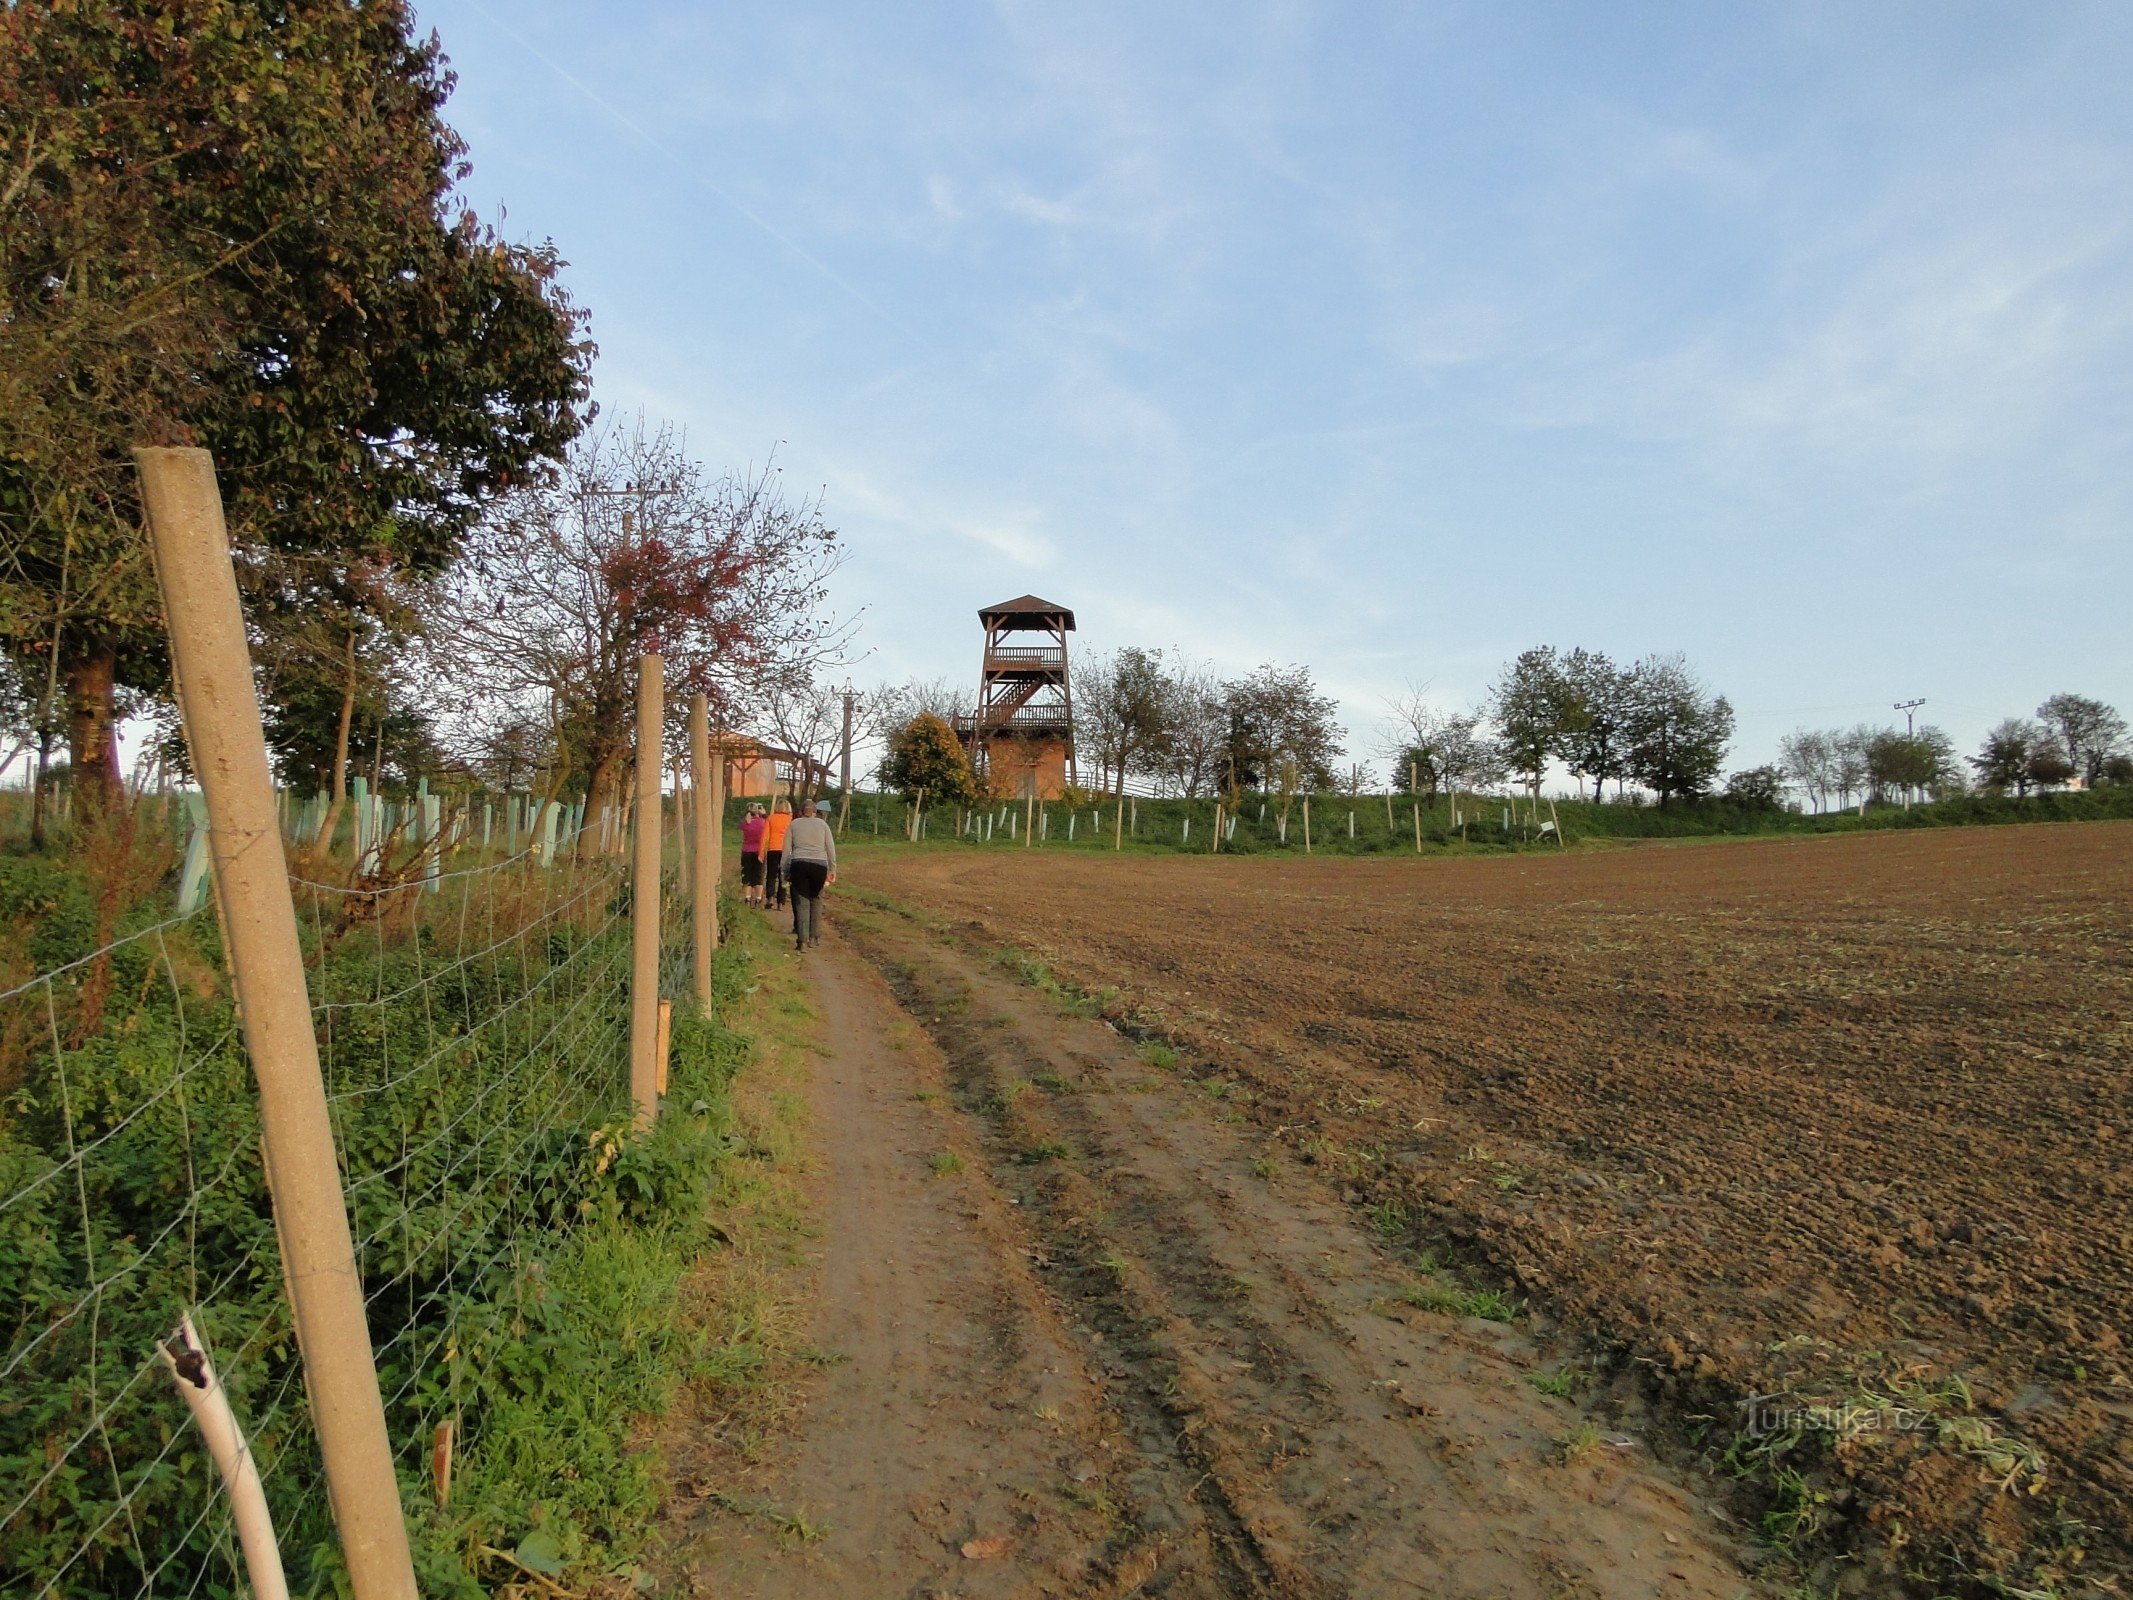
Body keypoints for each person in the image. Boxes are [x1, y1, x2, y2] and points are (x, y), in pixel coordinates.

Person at [784, 799, 837, 950]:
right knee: (817, 899)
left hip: (799, 864)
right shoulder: (823, 825)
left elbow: (787, 850)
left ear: (801, 812)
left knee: (802, 901)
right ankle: (815, 936)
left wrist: (785, 870)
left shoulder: (794, 824)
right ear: (815, 812)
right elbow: (830, 849)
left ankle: (802, 941)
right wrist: (832, 869)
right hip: (819, 866)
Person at [761, 797, 792, 910]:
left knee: (771, 875)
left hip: (772, 849)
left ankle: (770, 898)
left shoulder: (771, 818)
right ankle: (781, 902)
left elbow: (765, 836)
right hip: (785, 850)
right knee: (783, 876)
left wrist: (761, 851)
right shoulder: (790, 819)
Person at [738, 804, 767, 908]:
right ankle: (758, 899)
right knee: (758, 875)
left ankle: (747, 898)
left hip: (746, 851)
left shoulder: (745, 822)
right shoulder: (763, 822)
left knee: (747, 875)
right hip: (759, 852)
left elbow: (740, 827)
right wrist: (764, 814)